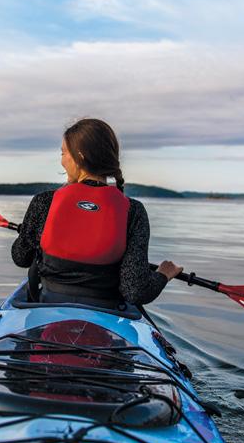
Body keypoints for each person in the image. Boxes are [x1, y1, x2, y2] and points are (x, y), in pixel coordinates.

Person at [11, 118, 183, 308]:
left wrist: (27, 233)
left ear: (80, 156)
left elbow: (21, 257)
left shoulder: (44, 201)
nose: (62, 161)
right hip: (105, 312)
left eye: (63, 153)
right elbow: (135, 291)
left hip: (47, 306)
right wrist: (163, 274)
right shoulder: (133, 211)